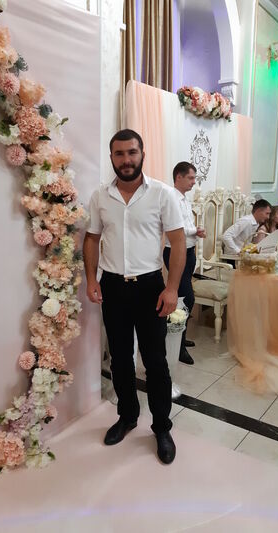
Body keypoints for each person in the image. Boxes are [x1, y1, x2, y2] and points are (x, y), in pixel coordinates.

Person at [83, 129, 186, 465]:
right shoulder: (100, 196)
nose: (126, 160)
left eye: (131, 152)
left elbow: (178, 243)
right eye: (119, 154)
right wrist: (91, 278)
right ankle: (127, 416)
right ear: (111, 157)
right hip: (113, 287)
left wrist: (172, 288)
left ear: (142, 154)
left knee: (155, 361)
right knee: (120, 359)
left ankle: (161, 427)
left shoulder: (162, 194)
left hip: (150, 288)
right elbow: (91, 238)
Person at [163, 162, 206, 366]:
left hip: (188, 251)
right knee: (185, 298)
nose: (193, 182)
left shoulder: (184, 199)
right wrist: (195, 231)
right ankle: (176, 345)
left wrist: (195, 230)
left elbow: (186, 225)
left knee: (184, 297)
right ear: (178, 177)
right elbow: (175, 227)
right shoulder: (171, 197)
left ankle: (179, 338)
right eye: (190, 178)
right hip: (175, 252)